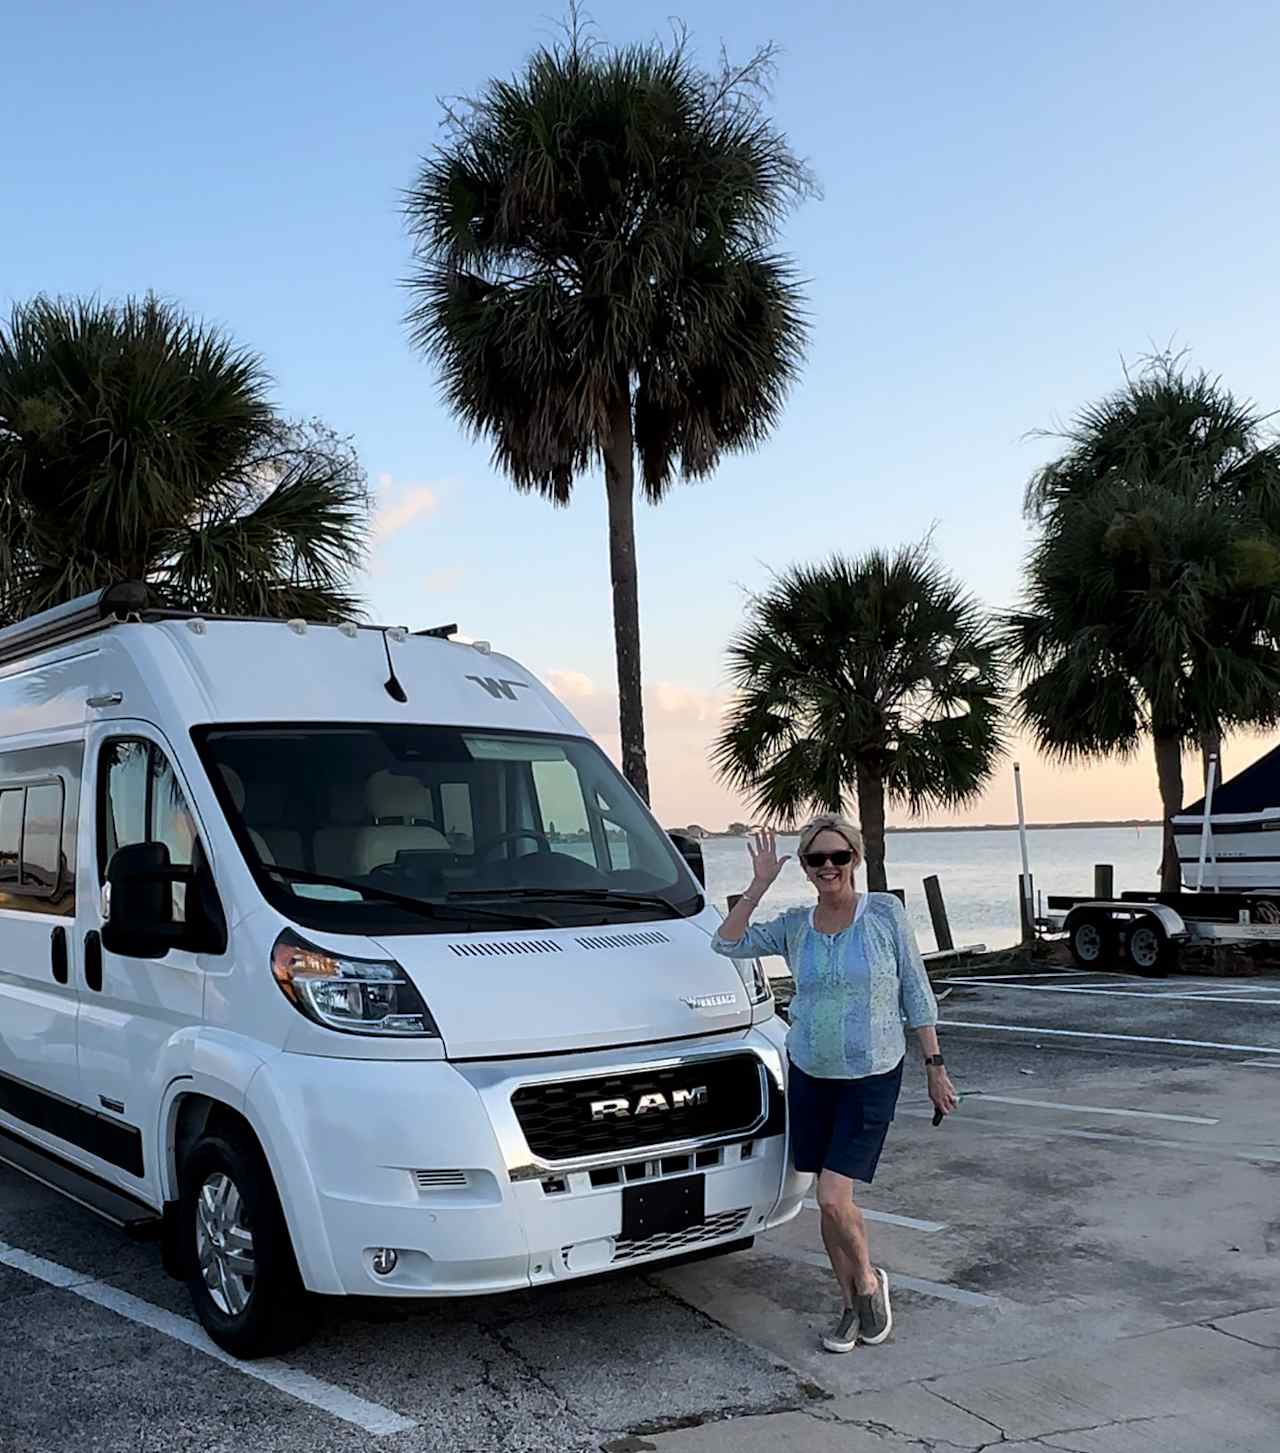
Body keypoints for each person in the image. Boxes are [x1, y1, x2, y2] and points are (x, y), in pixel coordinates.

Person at [712, 816, 958, 1353]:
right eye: (816, 859)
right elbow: (726, 944)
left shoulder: (884, 914)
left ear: (855, 859)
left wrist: (934, 1063)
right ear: (804, 867)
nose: (828, 867)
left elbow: (915, 989)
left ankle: (868, 1281)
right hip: (810, 1074)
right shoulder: (796, 924)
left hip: (871, 1073)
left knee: (831, 1195)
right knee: (827, 1205)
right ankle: (849, 1304)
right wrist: (756, 888)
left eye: (838, 857)